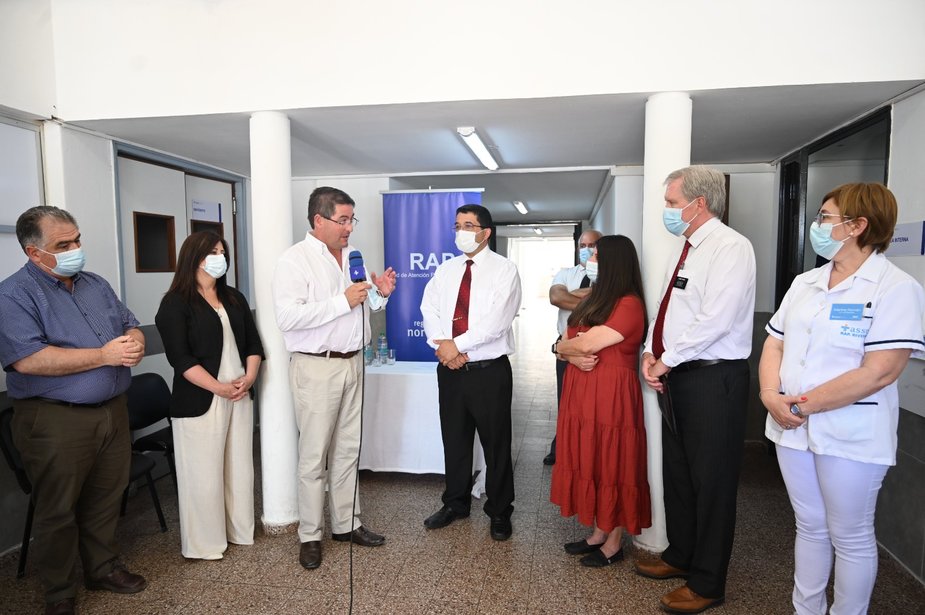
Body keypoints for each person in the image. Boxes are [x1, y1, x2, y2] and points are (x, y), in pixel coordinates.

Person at [758, 183, 924, 615]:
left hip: (850, 431)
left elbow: (880, 371)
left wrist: (801, 405)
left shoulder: (895, 287)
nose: (816, 225)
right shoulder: (806, 282)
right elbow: (775, 342)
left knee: (850, 535)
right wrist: (770, 394)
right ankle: (807, 609)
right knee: (810, 526)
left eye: (824, 217)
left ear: (857, 225)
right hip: (792, 426)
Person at [0, 206, 147, 615]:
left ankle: (102, 569)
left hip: (112, 410)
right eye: (63, 245)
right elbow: (29, 360)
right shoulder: (13, 295)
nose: (75, 249)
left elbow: (129, 324)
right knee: (58, 509)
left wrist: (134, 342)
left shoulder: (95, 284)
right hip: (55, 418)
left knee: (106, 497)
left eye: (77, 239)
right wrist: (104, 356)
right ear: (34, 252)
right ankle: (60, 592)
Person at [637, 166, 756, 614]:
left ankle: (708, 582)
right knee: (680, 475)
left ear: (699, 203)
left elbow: (715, 320)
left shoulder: (731, 247)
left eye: (672, 202)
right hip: (678, 375)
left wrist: (666, 359)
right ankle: (681, 555)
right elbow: (665, 310)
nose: (667, 210)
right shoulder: (685, 248)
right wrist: (650, 353)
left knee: (712, 482)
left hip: (713, 378)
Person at [272, 186, 396, 570]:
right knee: (314, 456)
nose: (349, 228)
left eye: (351, 219)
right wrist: (344, 300)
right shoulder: (294, 260)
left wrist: (380, 296)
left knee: (348, 450)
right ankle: (310, 535)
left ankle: (346, 524)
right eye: (342, 220)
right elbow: (288, 318)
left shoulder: (353, 256)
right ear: (319, 220)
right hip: (316, 366)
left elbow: (362, 304)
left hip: (354, 362)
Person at [154, 231, 264, 560]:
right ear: (195, 257)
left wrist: (249, 378)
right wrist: (218, 387)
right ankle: (205, 543)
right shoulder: (175, 303)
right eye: (212, 252)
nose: (220, 258)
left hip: (239, 394)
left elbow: (253, 344)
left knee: (239, 469)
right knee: (203, 475)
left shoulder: (234, 298)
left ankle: (238, 531)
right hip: (200, 399)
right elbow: (181, 359)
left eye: (222, 252)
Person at [420, 204, 522, 541]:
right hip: (450, 370)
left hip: (488, 372)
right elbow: (429, 309)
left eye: (468, 225)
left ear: (485, 233)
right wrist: (443, 346)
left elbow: (497, 321)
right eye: (457, 225)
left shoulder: (504, 270)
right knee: (455, 440)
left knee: (496, 444)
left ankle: (499, 510)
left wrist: (457, 346)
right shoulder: (446, 270)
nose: (460, 232)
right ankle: (455, 503)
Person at [550, 235, 651, 567]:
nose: (590, 260)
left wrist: (567, 348)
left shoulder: (629, 304)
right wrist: (566, 350)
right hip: (582, 392)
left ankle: (614, 542)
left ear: (614, 263)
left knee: (613, 462)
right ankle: (598, 532)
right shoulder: (595, 299)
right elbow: (566, 341)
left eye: (596, 255)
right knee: (591, 459)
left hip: (610, 395)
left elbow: (583, 344)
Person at [544, 229, 601, 465]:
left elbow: (568, 299)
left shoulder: (609, 276)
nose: (586, 250)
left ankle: (588, 450)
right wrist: (595, 298)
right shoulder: (566, 273)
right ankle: (561, 446)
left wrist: (574, 296)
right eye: (582, 245)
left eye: (592, 245)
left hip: (597, 347)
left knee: (593, 405)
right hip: (566, 347)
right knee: (565, 400)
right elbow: (556, 298)